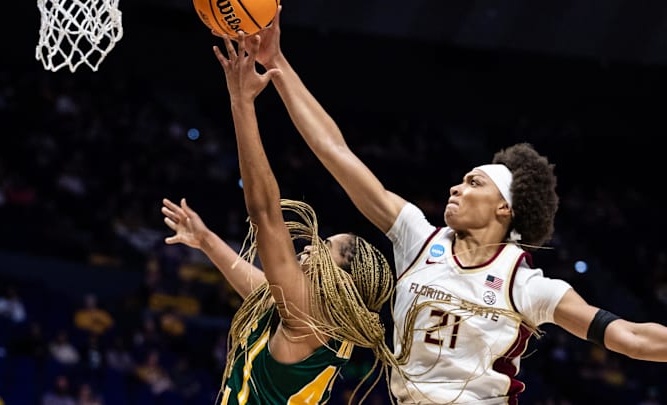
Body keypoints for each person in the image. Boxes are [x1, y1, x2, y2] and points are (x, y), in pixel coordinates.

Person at [250, 5, 667, 404]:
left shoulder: (526, 286)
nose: (455, 188)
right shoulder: (416, 236)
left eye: (473, 183)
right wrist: (277, 65)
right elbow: (334, 150)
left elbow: (629, 338)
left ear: (504, 208)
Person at [160, 32, 401, 404]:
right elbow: (259, 289)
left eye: (325, 249)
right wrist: (206, 239)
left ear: (339, 282)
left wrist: (241, 102)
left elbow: (266, 214)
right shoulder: (320, 323)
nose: (312, 249)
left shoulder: (307, 315)